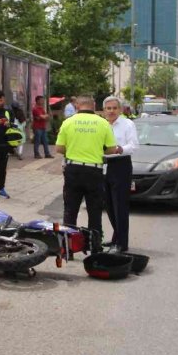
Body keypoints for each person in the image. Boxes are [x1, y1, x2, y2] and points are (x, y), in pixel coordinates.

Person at [55, 95, 118, 248]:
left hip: (73, 170)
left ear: (77, 105)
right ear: (94, 105)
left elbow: (59, 148)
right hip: (94, 172)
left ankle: (68, 248)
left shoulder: (68, 122)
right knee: (94, 211)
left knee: (70, 210)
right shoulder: (103, 123)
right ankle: (95, 247)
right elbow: (111, 149)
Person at [102, 96, 140, 253]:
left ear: (120, 109)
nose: (111, 111)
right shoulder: (101, 124)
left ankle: (122, 243)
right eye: (108, 108)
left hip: (121, 164)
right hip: (103, 165)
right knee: (109, 205)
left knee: (120, 206)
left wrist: (119, 149)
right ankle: (116, 237)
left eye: (114, 108)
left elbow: (134, 146)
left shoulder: (128, 124)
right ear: (104, 110)